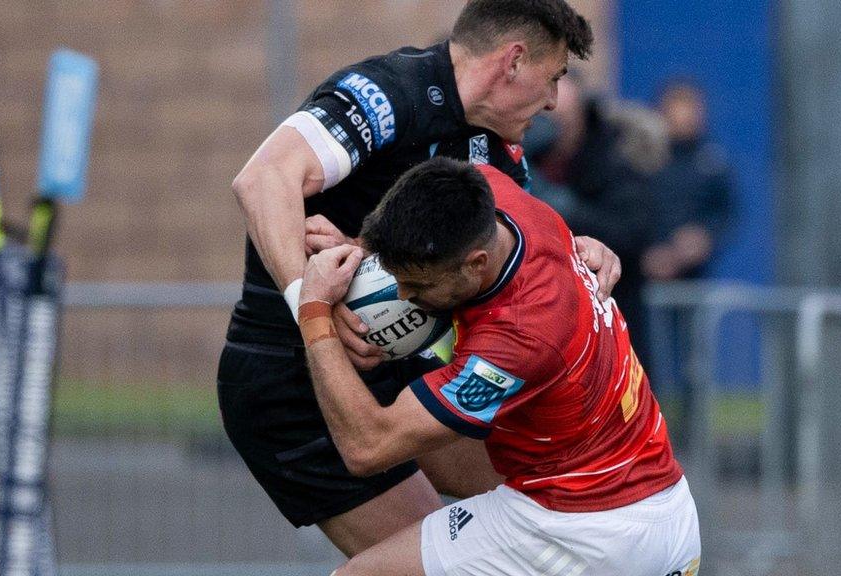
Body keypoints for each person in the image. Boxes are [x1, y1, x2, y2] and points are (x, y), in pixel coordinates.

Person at [218, 0, 623, 557]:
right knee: (448, 562)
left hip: (396, 371)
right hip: (293, 385)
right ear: (513, 61)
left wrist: (580, 253)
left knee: (542, 504)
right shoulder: (388, 92)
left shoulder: (500, 157)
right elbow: (263, 179)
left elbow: (502, 276)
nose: (554, 101)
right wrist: (316, 307)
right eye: (553, 77)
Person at [297, 157, 700, 576]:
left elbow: (368, 448)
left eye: (419, 286)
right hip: (653, 501)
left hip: (589, 532)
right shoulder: (494, 195)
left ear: (477, 263)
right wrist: (359, 247)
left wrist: (314, 309)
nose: (403, 294)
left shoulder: (519, 337)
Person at [527, 73, 669, 361]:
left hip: (611, 323)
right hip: (543, 326)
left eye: (560, 117)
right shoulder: (524, 159)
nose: (552, 128)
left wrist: (564, 209)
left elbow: (632, 233)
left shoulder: (617, 158)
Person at [641, 80, 733, 283]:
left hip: (695, 279)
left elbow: (726, 211)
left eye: (692, 108)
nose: (685, 117)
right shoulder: (641, 158)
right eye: (678, 107)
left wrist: (705, 237)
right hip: (640, 277)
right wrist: (644, 252)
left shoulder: (713, 161)